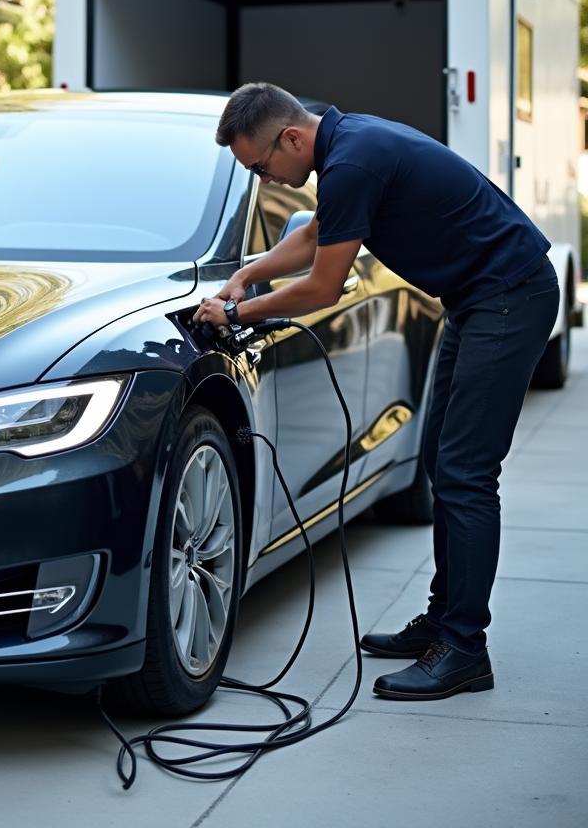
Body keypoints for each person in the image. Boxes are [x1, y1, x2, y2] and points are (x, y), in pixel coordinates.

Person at [192, 82, 559, 701]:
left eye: (262, 167)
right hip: (479, 300)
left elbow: (322, 287)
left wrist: (237, 315)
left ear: (290, 138)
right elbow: (313, 239)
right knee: (444, 459)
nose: (271, 181)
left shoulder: (354, 159)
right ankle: (444, 624)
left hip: (510, 297)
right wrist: (248, 275)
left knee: (466, 471)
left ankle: (465, 648)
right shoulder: (348, 147)